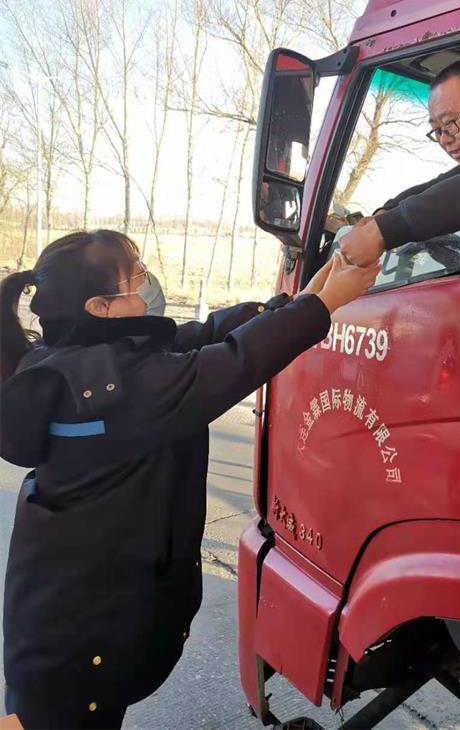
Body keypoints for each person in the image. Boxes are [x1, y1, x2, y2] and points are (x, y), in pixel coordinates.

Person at [0, 230, 379, 730]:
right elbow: (236, 362)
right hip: (76, 634)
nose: (145, 283)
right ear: (100, 306)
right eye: (133, 278)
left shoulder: (84, 353)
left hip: (66, 608)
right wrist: (325, 303)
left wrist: (308, 291)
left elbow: (205, 335)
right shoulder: (117, 389)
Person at [339, 59, 460, 267]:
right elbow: (451, 180)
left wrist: (384, 231)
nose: (444, 139)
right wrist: (387, 212)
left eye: (450, 123)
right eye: (437, 130)